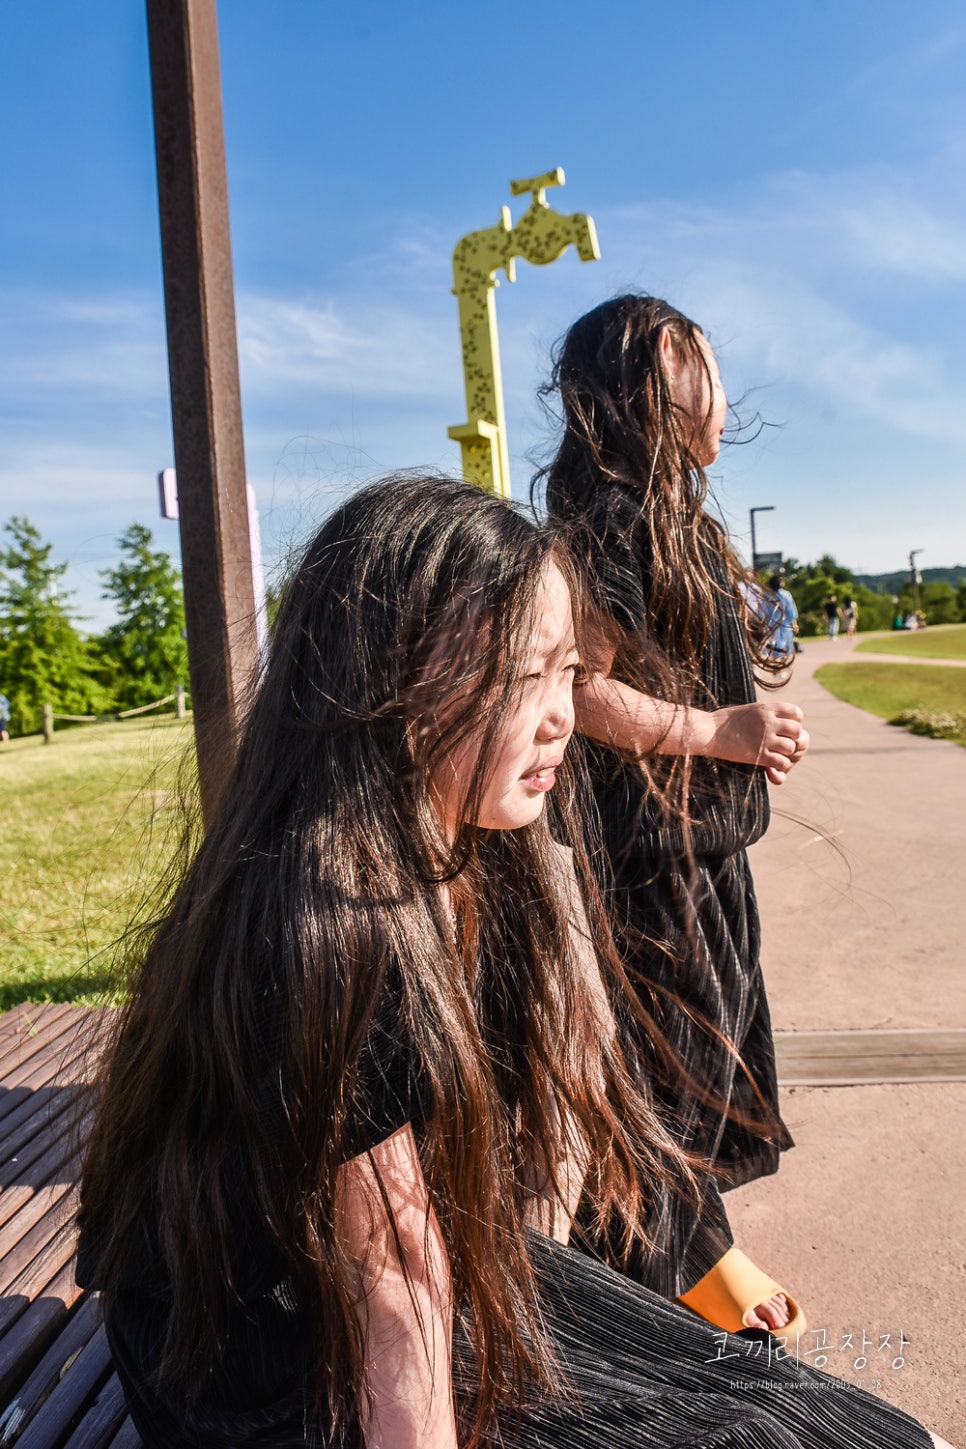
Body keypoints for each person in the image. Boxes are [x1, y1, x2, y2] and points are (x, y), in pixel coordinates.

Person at [76, 474, 946, 1449]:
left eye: (564, 674)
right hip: (267, 1363)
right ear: (390, 678)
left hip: (392, 1283)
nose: (561, 716)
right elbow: (392, 1277)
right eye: (518, 676)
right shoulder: (335, 914)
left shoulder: (458, 848)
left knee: (856, 1426)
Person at [540, 294, 809, 1337]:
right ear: (667, 360)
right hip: (656, 854)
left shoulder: (665, 511)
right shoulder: (607, 518)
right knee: (676, 1075)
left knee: (714, 1052)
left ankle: (687, 1258)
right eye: (711, 361)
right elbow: (582, 687)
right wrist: (719, 733)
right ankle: (640, 1290)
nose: (726, 392)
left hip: (703, 847)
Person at [768, 573, 799, 660]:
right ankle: (782, 665)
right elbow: (791, 610)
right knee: (785, 647)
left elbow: (764, 611)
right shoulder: (786, 595)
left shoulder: (767, 595)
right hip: (785, 624)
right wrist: (794, 623)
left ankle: (776, 666)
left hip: (771, 625)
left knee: (774, 647)